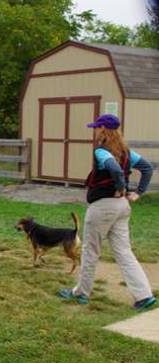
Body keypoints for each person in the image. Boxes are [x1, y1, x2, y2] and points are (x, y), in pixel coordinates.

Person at [58, 114, 156, 311]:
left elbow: (114, 169)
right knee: (124, 252)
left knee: (90, 252)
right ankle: (144, 296)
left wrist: (121, 186)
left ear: (103, 129)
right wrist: (138, 192)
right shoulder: (127, 152)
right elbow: (147, 168)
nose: (94, 130)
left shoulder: (102, 152)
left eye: (96, 127)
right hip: (122, 207)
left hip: (103, 207)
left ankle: (81, 293)